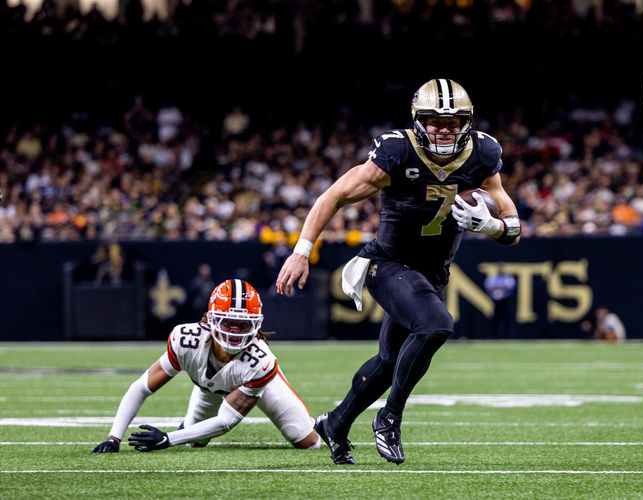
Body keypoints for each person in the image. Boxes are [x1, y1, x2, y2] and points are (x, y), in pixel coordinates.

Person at [276, 79, 520, 464]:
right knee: (436, 325)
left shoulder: (483, 155)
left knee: (389, 363)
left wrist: (489, 226)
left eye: (453, 121)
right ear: (418, 120)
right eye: (434, 121)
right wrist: (301, 252)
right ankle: (389, 418)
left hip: (433, 273)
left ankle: (336, 422)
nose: (443, 129)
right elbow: (334, 195)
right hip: (388, 263)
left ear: (466, 123)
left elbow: (514, 227)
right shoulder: (396, 150)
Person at [91, 279, 320, 453]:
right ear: (211, 319)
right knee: (195, 441)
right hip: (208, 388)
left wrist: (168, 439)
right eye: (229, 323)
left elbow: (226, 421)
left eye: (243, 325)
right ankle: (188, 425)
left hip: (258, 386)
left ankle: (327, 423)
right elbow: (141, 387)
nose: (234, 332)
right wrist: (114, 438)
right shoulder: (186, 340)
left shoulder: (261, 361)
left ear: (256, 324)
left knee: (307, 441)